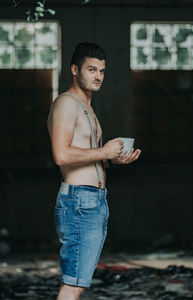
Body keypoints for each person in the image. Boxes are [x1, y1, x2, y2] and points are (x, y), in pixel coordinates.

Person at [47, 42, 141, 300]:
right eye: (91, 69)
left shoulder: (88, 108)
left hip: (94, 200)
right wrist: (104, 152)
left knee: (79, 281)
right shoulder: (66, 103)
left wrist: (113, 161)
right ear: (75, 70)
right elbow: (61, 155)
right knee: (74, 283)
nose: (98, 75)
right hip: (79, 201)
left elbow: (89, 158)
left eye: (101, 70)